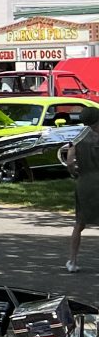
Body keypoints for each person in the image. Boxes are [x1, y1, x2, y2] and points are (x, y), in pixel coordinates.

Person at [62, 112, 98, 272]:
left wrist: (74, 172)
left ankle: (72, 261)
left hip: (85, 181)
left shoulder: (77, 138)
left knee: (79, 223)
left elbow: (69, 161)